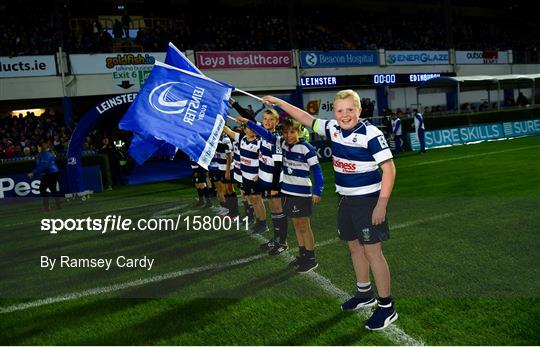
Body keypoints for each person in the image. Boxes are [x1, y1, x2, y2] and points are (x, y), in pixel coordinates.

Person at [261, 90, 397, 330]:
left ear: (359, 110)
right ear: (334, 112)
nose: (345, 115)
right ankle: (364, 293)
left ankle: (387, 306)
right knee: (354, 246)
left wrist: (382, 204)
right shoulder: (333, 128)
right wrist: (280, 103)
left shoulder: (371, 134)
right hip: (345, 199)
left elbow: (389, 169)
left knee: (373, 252)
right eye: (340, 110)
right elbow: (304, 117)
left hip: (367, 201)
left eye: (349, 110)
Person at [244, 117, 324, 273]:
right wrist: (249, 123)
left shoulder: (306, 148)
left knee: (304, 226)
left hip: (302, 193)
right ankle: (302, 255)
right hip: (288, 192)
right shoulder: (282, 144)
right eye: (286, 133)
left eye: (292, 132)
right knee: (296, 225)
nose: (289, 136)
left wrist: (318, 191)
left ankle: (311, 259)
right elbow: (266, 134)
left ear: (299, 132)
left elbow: (317, 170)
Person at [237, 108, 288, 255]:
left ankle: (282, 242)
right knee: (274, 210)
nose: (267, 121)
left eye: (271, 119)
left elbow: (278, 166)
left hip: (275, 183)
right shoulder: (263, 135)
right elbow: (249, 118)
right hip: (265, 180)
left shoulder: (275, 139)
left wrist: (273, 186)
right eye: (265, 119)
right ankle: (277, 239)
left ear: (276, 121)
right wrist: (234, 103)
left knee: (278, 210)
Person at [28, 141, 61, 211]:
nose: (38, 149)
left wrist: (33, 173)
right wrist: (33, 171)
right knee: (52, 189)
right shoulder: (42, 154)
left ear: (41, 147)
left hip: (50, 173)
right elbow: (39, 165)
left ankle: (47, 206)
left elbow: (44, 166)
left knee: (42, 189)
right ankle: (58, 205)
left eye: (38, 147)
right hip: (52, 172)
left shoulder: (46, 154)